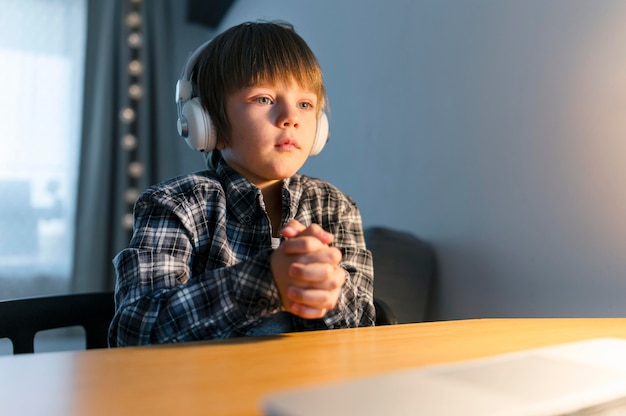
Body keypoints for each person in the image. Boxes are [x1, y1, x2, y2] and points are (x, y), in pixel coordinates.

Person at [108, 21, 375, 347]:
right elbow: (136, 331)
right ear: (206, 120)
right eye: (263, 99)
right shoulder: (175, 204)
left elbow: (362, 334)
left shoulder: (334, 207)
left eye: (305, 104)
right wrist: (268, 281)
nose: (290, 116)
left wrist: (323, 288)